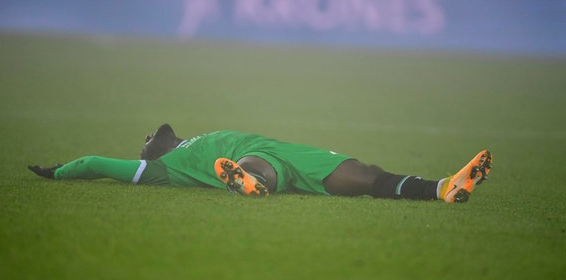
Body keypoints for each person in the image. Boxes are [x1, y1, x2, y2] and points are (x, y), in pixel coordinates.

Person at [28, 123, 493, 203]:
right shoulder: (160, 169)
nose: (147, 139)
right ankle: (247, 181)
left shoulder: (195, 138)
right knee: (252, 165)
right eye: (145, 141)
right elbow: (93, 162)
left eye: (148, 136)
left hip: (287, 153)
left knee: (368, 176)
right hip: (255, 159)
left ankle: (443, 188)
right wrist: (58, 171)